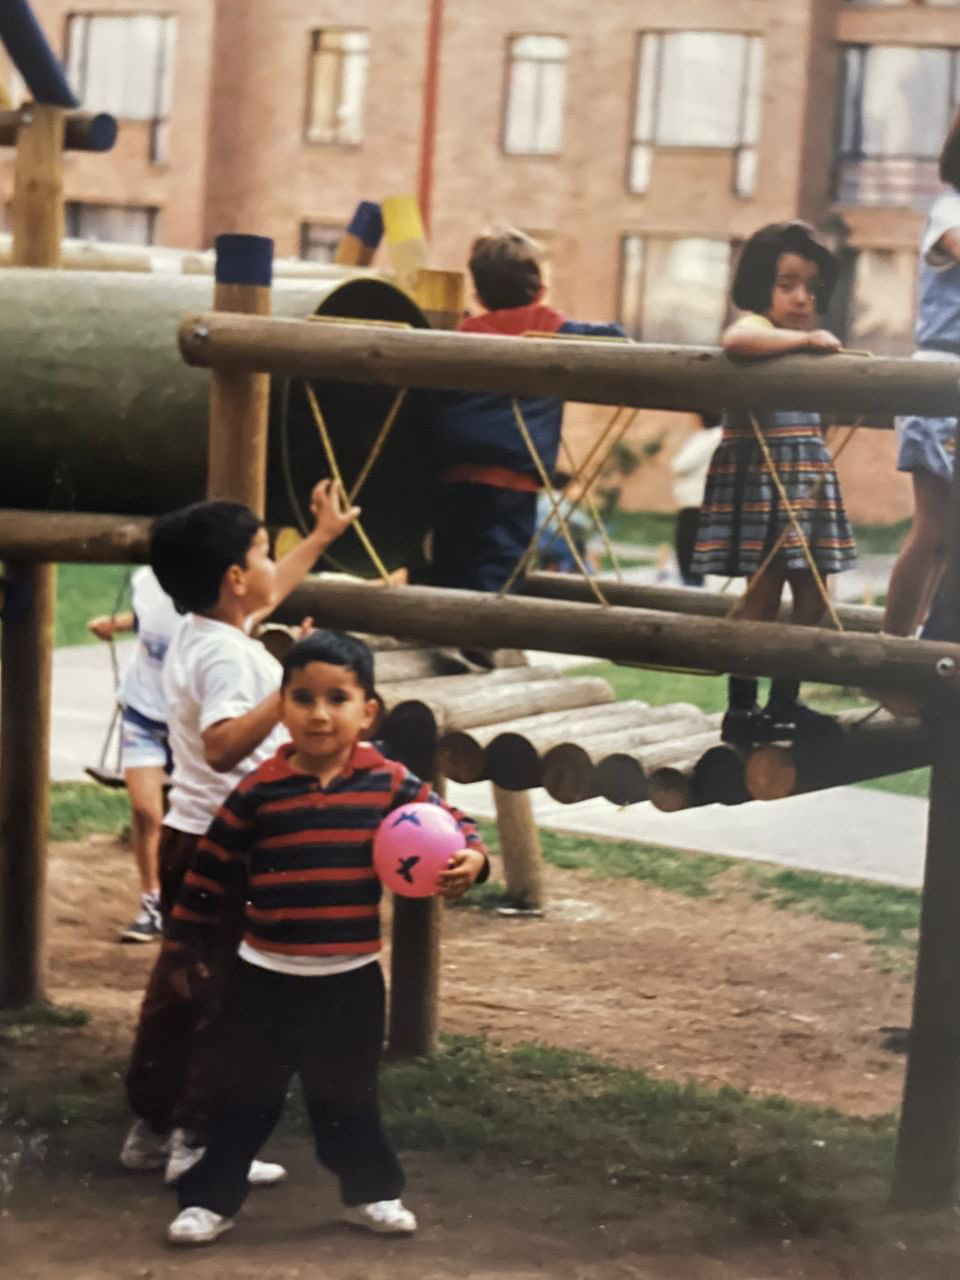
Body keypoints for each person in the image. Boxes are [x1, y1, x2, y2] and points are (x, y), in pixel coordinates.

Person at [161, 629, 489, 1246]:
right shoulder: (259, 790)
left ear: (368, 712)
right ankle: (209, 1201)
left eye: (336, 698)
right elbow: (209, 868)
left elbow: (455, 823)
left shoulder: (390, 782)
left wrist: (473, 858)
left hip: (351, 981)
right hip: (264, 978)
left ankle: (370, 1195)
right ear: (280, 707)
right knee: (242, 1098)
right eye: (302, 697)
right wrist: (184, 944)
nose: (318, 714)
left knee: (348, 1099)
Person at [120, 481, 358, 1187]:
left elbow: (266, 595)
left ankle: (151, 1127)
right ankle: (198, 1140)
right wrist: (288, 690)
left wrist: (318, 538)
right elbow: (223, 746)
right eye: (264, 551)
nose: (270, 562)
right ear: (232, 577)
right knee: (227, 996)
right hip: (231, 847)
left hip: (193, 837)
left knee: (180, 985)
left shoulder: (210, 630)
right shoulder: (227, 655)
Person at [690, 222, 857, 747]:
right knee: (762, 592)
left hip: (803, 476)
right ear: (762, 285)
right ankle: (742, 707)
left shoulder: (798, 344)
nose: (802, 298)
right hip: (763, 477)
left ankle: (785, 703)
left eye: (810, 287)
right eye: (787, 285)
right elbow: (736, 339)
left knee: (814, 593)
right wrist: (804, 339)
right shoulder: (758, 329)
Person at [426, 228, 624, 593]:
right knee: (499, 570)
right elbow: (616, 341)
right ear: (540, 291)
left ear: (478, 294)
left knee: (451, 565)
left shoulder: (462, 334)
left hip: (453, 475)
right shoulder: (547, 328)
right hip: (511, 480)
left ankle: (444, 636)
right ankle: (481, 644)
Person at [883, 112, 960, 638]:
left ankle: (927, 648)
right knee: (934, 530)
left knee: (951, 538)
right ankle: (892, 648)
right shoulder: (949, 209)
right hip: (941, 375)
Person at [88, 567, 180, 942]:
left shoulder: (210, 578)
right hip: (142, 709)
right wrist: (119, 623)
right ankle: (151, 903)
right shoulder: (143, 578)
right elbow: (151, 617)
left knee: (192, 816)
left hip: (188, 717)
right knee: (146, 811)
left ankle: (185, 902)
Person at [669, 415, 723, 587]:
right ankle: (692, 585)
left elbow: (680, 465)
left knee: (689, 552)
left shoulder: (712, 436)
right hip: (692, 502)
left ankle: (694, 588)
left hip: (697, 503)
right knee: (687, 552)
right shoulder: (706, 436)